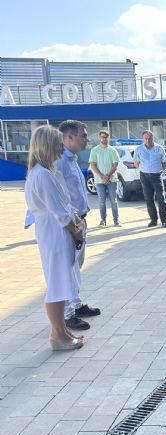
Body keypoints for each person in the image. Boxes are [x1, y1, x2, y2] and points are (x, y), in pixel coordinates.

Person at [25, 125, 85, 350]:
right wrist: (75, 228)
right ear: (48, 145)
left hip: (53, 231)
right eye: (58, 143)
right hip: (55, 233)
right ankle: (58, 335)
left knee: (60, 283)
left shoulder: (41, 172)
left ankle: (61, 331)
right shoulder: (42, 175)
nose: (62, 147)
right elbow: (59, 211)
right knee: (57, 284)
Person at [57, 120, 101, 331]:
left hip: (80, 220)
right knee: (67, 268)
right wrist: (73, 225)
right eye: (83, 135)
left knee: (76, 265)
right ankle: (67, 314)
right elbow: (61, 199)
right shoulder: (59, 162)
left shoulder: (71, 159)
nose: (86, 139)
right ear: (69, 137)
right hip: (69, 224)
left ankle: (75, 304)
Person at [133, 130, 166, 228]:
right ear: (143, 139)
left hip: (156, 175)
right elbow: (136, 163)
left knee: (161, 198)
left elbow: (164, 163)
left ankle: (164, 220)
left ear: (152, 138)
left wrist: (158, 170)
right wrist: (143, 168)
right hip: (144, 176)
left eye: (149, 138)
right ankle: (153, 220)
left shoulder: (160, 148)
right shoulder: (139, 149)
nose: (147, 140)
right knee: (148, 199)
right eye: (145, 139)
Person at [89, 130, 120, 227]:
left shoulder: (112, 150)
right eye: (102, 137)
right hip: (99, 181)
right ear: (99, 138)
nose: (104, 138)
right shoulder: (94, 150)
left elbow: (115, 165)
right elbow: (93, 165)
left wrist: (108, 176)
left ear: (108, 138)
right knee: (102, 201)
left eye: (106, 137)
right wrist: (102, 177)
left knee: (113, 200)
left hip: (112, 180)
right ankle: (103, 220)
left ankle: (116, 220)